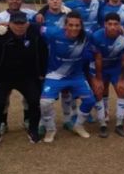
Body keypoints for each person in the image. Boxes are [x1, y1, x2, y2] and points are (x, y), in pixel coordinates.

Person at [0, 12, 48, 147]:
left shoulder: (34, 34)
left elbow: (43, 53)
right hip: (3, 76)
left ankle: (33, 130)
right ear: (9, 23)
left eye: (22, 23)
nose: (19, 27)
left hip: (27, 76)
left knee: (35, 100)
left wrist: (41, 72)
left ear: (27, 23)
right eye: (16, 23)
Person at [39, 11, 96, 142]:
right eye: (71, 25)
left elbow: (105, 32)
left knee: (90, 101)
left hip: (76, 76)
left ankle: (78, 126)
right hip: (55, 75)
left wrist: (121, 28)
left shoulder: (87, 35)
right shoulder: (53, 32)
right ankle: (51, 129)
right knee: (45, 103)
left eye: (77, 25)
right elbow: (31, 26)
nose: (74, 28)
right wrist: (4, 24)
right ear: (65, 25)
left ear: (81, 26)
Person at [0, 0, 38, 135]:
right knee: (3, 97)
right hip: (6, 63)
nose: (14, 1)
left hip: (25, 61)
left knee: (28, 96)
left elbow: (41, 19)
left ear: (21, 1)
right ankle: (2, 122)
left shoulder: (29, 13)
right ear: (6, 0)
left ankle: (27, 119)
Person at [32, 0, 73, 134]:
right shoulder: (39, 17)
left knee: (66, 89)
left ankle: (67, 120)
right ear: (47, 1)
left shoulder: (68, 15)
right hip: (46, 58)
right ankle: (44, 121)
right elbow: (29, 29)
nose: (55, 1)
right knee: (45, 91)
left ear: (61, 0)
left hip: (64, 57)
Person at [90, 12, 124, 137]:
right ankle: (102, 125)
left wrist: (121, 79)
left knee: (122, 89)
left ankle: (119, 124)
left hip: (115, 68)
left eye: (116, 24)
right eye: (110, 24)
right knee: (98, 91)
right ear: (105, 25)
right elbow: (98, 59)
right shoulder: (97, 36)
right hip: (101, 68)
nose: (113, 27)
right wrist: (98, 79)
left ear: (120, 25)